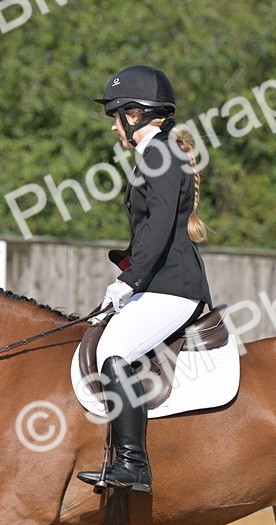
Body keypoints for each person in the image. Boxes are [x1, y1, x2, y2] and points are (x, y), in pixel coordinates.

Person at [76, 65, 214, 494]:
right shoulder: (161, 152)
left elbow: (156, 229)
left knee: (113, 349)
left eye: (116, 116)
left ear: (133, 115)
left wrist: (130, 281)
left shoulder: (158, 153)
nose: (115, 127)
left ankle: (133, 463)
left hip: (171, 286)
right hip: (161, 282)